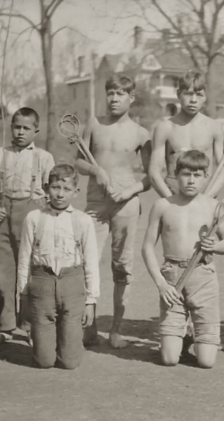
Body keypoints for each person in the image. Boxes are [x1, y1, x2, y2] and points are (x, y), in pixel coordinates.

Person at [75, 74, 151, 349]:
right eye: (111, 93)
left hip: (125, 202)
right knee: (87, 261)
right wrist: (94, 169)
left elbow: (151, 177)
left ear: (131, 98)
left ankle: (116, 329)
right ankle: (89, 326)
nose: (114, 98)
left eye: (120, 94)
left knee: (122, 265)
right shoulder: (94, 124)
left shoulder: (142, 134)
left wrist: (130, 190)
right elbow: (79, 163)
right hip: (96, 202)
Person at [142, 150, 224, 368]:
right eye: (185, 174)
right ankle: (179, 335)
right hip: (172, 280)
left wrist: (216, 246)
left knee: (206, 362)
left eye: (197, 175)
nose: (191, 180)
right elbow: (146, 248)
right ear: (175, 174)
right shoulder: (163, 205)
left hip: (204, 279)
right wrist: (161, 285)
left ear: (206, 177)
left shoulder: (213, 206)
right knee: (170, 359)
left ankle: (194, 333)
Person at [0, 107, 55, 344]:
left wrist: (42, 214)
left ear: (36, 130)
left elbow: (52, 193)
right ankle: (5, 327)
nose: (20, 132)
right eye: (16, 126)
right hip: (0, 220)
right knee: (0, 276)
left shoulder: (44, 157)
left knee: (31, 274)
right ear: (11, 127)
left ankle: (31, 327)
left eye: (26, 128)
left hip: (30, 218)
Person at [17, 165, 99, 369]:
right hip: (42, 285)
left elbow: (90, 262)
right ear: (46, 188)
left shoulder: (83, 220)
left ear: (75, 192)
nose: (60, 194)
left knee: (69, 362)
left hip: (72, 286)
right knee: (44, 361)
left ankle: (67, 339)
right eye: (55, 187)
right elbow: (24, 258)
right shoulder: (34, 218)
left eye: (66, 189)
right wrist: (23, 295)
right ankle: (43, 337)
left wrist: (91, 301)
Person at [149, 70, 224, 199]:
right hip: (173, 193)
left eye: (199, 95)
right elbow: (154, 173)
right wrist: (171, 200)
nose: (193, 100)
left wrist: (206, 199)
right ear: (178, 94)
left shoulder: (214, 127)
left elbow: (223, 171)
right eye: (188, 94)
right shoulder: (165, 127)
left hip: (205, 194)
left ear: (205, 97)